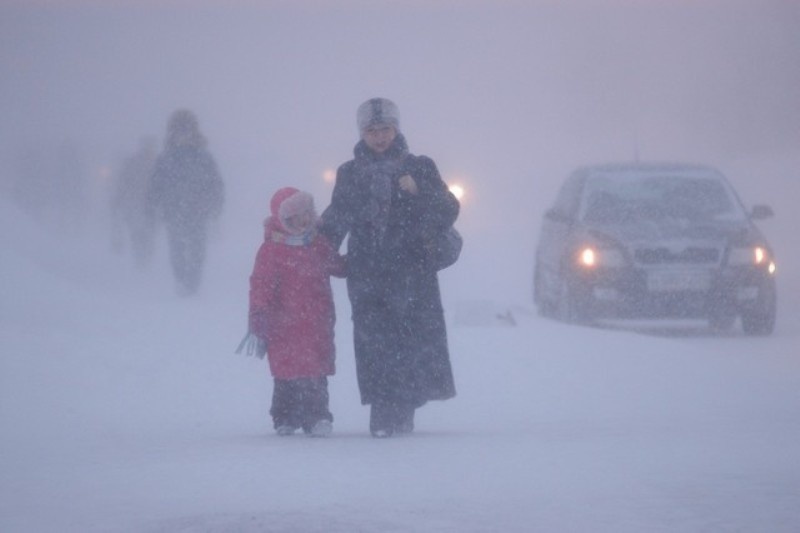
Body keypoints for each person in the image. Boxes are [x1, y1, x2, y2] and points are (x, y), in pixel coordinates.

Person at [320, 97, 460, 438]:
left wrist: (420, 190)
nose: (379, 137)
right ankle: (384, 416)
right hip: (368, 273)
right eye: (371, 130)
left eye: (385, 129)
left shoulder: (420, 167)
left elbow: (448, 210)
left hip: (412, 272)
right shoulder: (350, 173)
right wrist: (311, 250)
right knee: (374, 344)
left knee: (410, 344)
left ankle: (403, 411)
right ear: (362, 133)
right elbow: (336, 218)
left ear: (396, 129)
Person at [248, 187, 346, 437]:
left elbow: (337, 264)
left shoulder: (317, 245)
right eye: (294, 217)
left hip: (317, 322)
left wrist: (359, 262)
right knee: (286, 373)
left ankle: (318, 417)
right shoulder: (272, 251)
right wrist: (259, 314)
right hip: (285, 325)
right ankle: (285, 416)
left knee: (316, 374)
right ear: (282, 221)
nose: (303, 222)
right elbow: (261, 284)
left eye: (306, 215)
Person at [148, 109, 224, 296]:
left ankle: (192, 281)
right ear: (173, 133)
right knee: (177, 248)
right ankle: (182, 278)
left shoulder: (203, 157)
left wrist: (216, 204)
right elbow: (155, 184)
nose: (184, 135)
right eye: (180, 131)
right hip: (174, 210)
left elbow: (215, 183)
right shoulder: (166, 158)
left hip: (196, 210)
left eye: (187, 130)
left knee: (197, 247)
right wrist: (152, 205)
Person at [111, 136, 158, 268]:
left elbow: (122, 182)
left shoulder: (134, 162)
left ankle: (141, 257)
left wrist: (119, 198)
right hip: (146, 204)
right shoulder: (156, 163)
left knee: (139, 232)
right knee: (146, 232)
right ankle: (144, 257)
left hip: (138, 203)